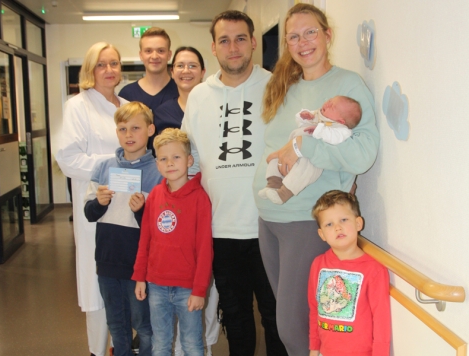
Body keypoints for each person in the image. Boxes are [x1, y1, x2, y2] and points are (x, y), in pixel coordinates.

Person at [252, 4, 379, 356]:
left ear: (327, 35)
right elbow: (273, 147)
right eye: (293, 36)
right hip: (269, 220)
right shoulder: (284, 86)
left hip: (306, 222)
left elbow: (363, 153)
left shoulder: (347, 85)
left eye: (310, 32)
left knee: (294, 331)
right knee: (300, 324)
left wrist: (304, 146)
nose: (302, 42)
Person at [181, 10, 287, 356]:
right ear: (213, 47)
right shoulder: (199, 96)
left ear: (254, 42)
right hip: (220, 228)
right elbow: (189, 157)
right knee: (237, 318)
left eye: (241, 38)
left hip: (269, 225)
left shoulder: (276, 86)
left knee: (275, 317)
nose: (233, 47)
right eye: (224, 40)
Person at [56, 42, 128, 356]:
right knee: (98, 287)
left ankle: (122, 347)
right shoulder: (78, 105)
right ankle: (98, 351)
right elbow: (67, 158)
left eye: (114, 63)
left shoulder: (125, 104)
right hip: (95, 208)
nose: (109, 70)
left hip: (127, 208)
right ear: (90, 70)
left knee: (126, 281)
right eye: (101, 64)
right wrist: (113, 166)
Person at [154, 46, 218, 356]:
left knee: (197, 324)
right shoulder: (165, 110)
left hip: (200, 194)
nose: (186, 70)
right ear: (172, 70)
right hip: (172, 199)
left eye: (193, 65)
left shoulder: (212, 103)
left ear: (203, 71)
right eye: (180, 65)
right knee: (163, 335)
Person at [83, 102, 161, 356]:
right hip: (107, 260)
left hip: (140, 264)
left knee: (144, 326)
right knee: (116, 324)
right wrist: (99, 203)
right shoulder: (104, 168)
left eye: (135, 128)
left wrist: (141, 211)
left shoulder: (159, 171)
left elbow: (162, 225)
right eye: (122, 129)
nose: (128, 135)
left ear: (150, 130)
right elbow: (89, 213)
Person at [132, 128, 213, 356]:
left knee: (192, 344)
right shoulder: (155, 195)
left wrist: (199, 290)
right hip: (156, 285)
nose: (170, 163)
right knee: (160, 344)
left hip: (187, 287)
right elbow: (145, 239)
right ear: (157, 164)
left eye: (176, 157)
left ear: (189, 161)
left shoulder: (200, 199)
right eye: (163, 159)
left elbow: (205, 249)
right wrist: (140, 277)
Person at [309, 190, 391, 356]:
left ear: (358, 223)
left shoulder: (374, 269)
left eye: (344, 220)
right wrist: (314, 349)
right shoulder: (318, 264)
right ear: (322, 234)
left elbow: (381, 322)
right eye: (329, 224)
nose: (338, 227)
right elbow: (314, 309)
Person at [258, 96, 362, 204]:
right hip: (292, 150)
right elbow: (301, 123)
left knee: (303, 172)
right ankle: (272, 184)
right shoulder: (318, 115)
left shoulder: (341, 129)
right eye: (330, 101)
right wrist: (304, 117)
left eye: (333, 107)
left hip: (311, 159)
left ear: (341, 120)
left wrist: (319, 129)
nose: (327, 104)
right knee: (275, 160)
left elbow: (335, 138)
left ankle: (283, 194)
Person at [119, 27, 179, 149]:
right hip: (138, 166)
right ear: (141, 55)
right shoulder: (127, 94)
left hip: (174, 166)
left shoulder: (181, 91)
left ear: (169, 55)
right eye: (148, 51)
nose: (154, 56)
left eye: (161, 50)